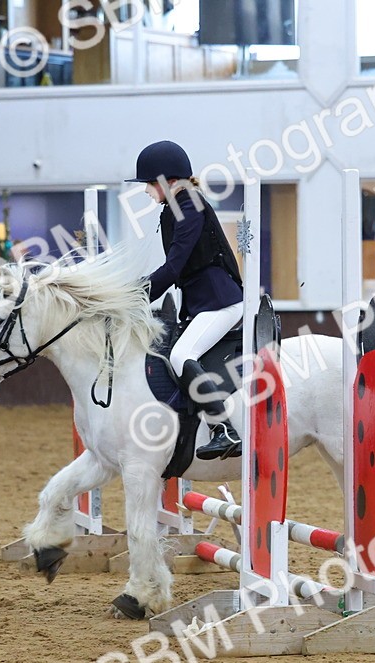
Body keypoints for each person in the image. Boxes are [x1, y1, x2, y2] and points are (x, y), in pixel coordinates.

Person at [128, 140, 245, 460]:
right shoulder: (176, 207)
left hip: (221, 301)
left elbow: (175, 266)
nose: (148, 191)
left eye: (150, 183)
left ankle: (222, 428)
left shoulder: (188, 203)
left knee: (182, 355)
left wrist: (136, 294)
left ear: (168, 180)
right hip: (202, 303)